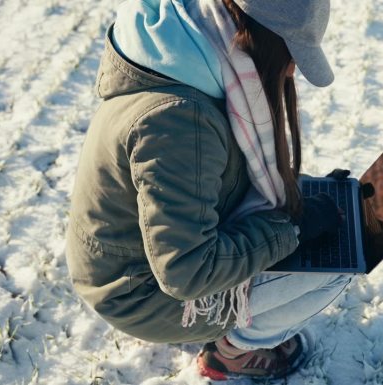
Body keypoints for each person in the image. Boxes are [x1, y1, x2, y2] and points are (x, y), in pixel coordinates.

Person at [65, 0, 352, 380]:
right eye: (291, 51)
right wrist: (293, 230)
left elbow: (213, 174)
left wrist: (296, 196)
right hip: (140, 294)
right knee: (336, 271)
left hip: (142, 261)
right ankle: (231, 352)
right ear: (259, 37)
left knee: (318, 228)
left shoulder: (188, 50)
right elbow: (188, 271)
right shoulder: (180, 121)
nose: (293, 68)